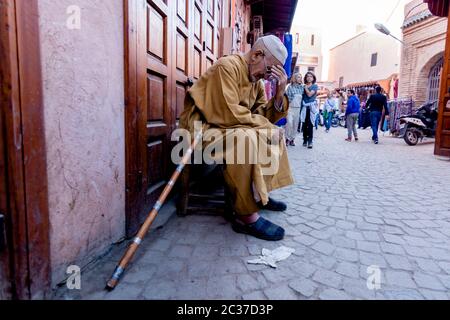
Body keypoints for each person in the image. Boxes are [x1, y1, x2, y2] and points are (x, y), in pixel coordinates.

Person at [180, 35, 294, 241]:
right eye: (270, 70)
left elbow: (261, 117)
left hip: (228, 127)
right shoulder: (227, 67)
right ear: (257, 55)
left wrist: (279, 94)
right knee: (245, 139)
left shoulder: (256, 81)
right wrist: (267, 127)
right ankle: (245, 215)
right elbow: (226, 112)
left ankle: (259, 195)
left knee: (268, 136)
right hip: (203, 129)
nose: (269, 77)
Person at [300, 72, 319, 149]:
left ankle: (310, 141)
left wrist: (305, 87)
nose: (309, 78)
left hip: (311, 108)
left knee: (310, 125)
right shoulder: (303, 86)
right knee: (304, 125)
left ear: (313, 78)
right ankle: (305, 140)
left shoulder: (314, 86)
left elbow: (309, 94)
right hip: (304, 107)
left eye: (311, 76)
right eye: (307, 76)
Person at [285, 73, 304, 146]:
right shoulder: (290, 87)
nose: (300, 79)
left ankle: (292, 139)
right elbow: (286, 98)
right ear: (295, 78)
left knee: (295, 125)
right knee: (289, 123)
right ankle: (287, 138)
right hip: (290, 108)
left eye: (300, 77)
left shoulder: (302, 87)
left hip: (298, 109)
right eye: (298, 77)